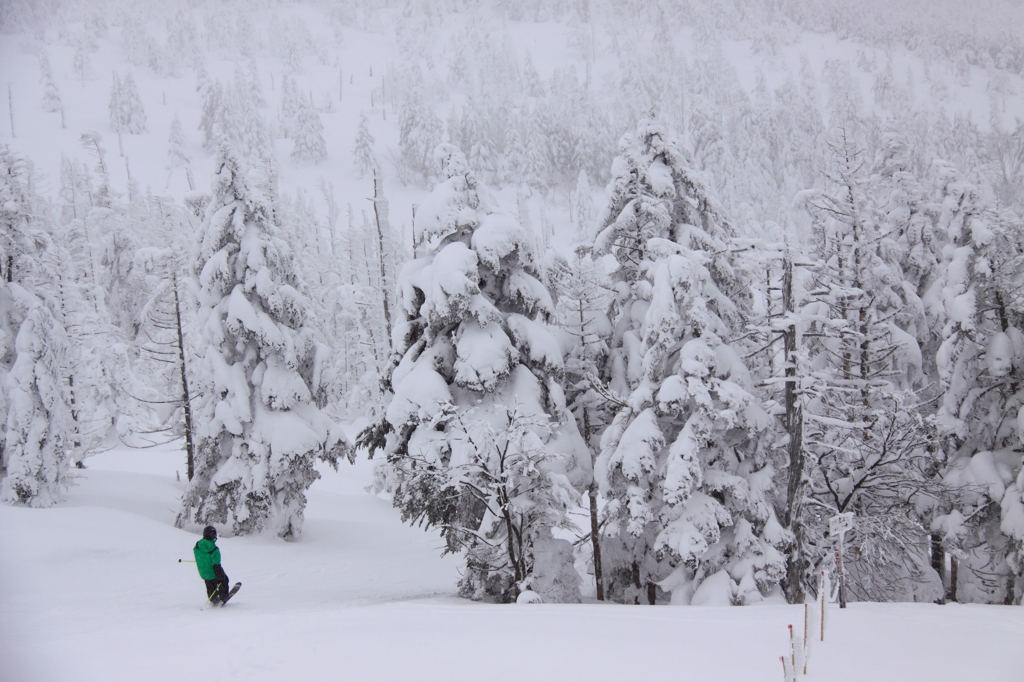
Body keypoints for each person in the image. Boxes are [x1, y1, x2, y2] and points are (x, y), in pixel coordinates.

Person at [193, 525, 230, 604]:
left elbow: (201, 556)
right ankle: (223, 597)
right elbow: (216, 565)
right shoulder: (214, 550)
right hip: (212, 571)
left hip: (203, 572)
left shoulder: (197, 546)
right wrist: (220, 576)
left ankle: (213, 598)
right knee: (224, 580)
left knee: (210, 583)